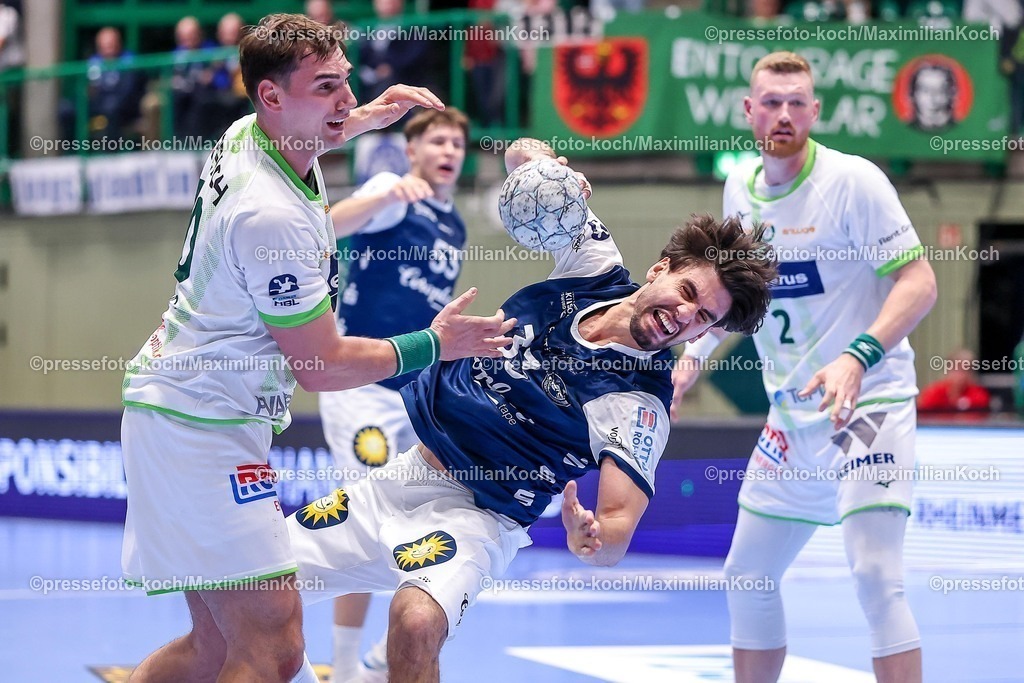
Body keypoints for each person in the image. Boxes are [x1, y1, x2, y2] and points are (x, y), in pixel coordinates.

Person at [286, 138, 778, 683]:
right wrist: (546, 165)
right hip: (406, 473)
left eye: (704, 317)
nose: (683, 314)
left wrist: (592, 537)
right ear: (660, 269)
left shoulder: (638, 403)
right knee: (247, 584)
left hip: (480, 516)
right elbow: (519, 155)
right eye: (686, 290)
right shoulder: (593, 265)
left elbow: (617, 528)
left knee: (416, 622)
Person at [119, 13, 515, 683]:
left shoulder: (249, 133)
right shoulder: (272, 215)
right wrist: (435, 343)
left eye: (347, 82)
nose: (345, 101)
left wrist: (368, 119)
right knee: (276, 644)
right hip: (200, 429)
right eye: (327, 87)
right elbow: (321, 364)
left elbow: (320, 123)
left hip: (184, 410)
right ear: (272, 95)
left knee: (216, 645)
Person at [672, 51, 937, 683]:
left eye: (796, 103)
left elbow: (920, 281)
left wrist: (857, 355)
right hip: (791, 419)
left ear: (815, 111)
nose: (784, 114)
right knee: (747, 574)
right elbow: (729, 298)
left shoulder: (854, 182)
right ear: (749, 111)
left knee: (875, 576)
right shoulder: (739, 191)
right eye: (771, 102)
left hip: (867, 405)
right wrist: (692, 356)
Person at [320, 106, 471, 682]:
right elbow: (329, 223)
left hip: (413, 395)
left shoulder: (452, 223)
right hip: (360, 386)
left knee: (431, 516)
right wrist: (383, 200)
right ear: (412, 151)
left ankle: (385, 656)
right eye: (437, 140)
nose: (449, 151)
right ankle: (344, 667)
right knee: (369, 517)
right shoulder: (392, 190)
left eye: (457, 142)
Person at [917, 349, 991, 415]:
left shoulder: (979, 395)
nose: (961, 375)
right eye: (957, 369)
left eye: (966, 370)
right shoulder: (933, 393)